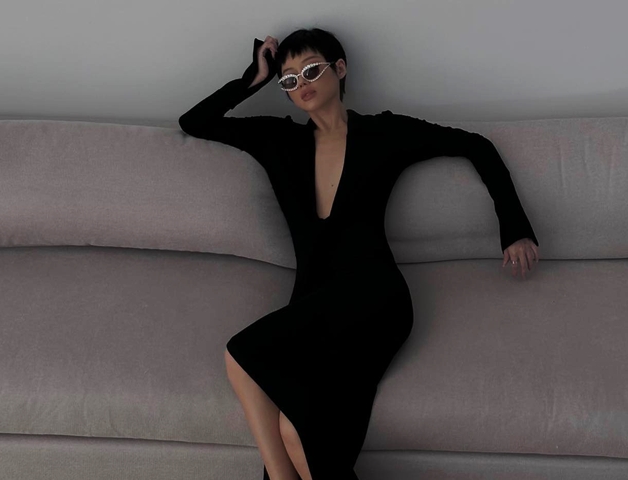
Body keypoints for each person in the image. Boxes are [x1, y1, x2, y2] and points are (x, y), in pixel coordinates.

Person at [178, 28, 540, 480]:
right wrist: (253, 78)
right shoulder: (277, 140)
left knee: (242, 357)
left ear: (340, 68)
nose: (301, 83)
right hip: (314, 305)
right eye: (289, 79)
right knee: (294, 428)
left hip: (376, 298)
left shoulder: (383, 133)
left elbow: (476, 146)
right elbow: (195, 122)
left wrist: (514, 229)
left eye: (311, 70)